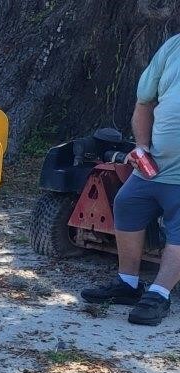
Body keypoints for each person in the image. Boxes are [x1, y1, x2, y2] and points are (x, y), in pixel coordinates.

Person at [81, 34, 180, 326]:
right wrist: (141, 146)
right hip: (156, 166)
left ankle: (159, 294)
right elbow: (144, 101)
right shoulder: (173, 46)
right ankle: (128, 283)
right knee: (127, 203)